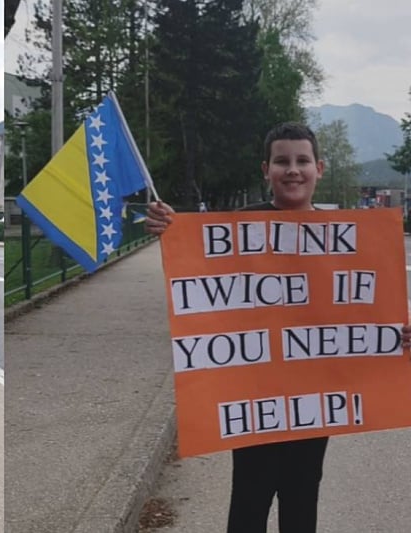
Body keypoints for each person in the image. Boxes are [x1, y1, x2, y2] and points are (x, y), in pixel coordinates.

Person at [145, 122, 406, 533]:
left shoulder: (346, 237)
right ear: (266, 170)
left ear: (319, 168)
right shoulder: (236, 228)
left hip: (313, 401)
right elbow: (203, 283)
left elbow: (360, 312)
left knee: (303, 498)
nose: (293, 170)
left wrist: (394, 335)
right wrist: (171, 230)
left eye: (302, 161)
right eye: (282, 161)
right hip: (254, 401)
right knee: (249, 499)